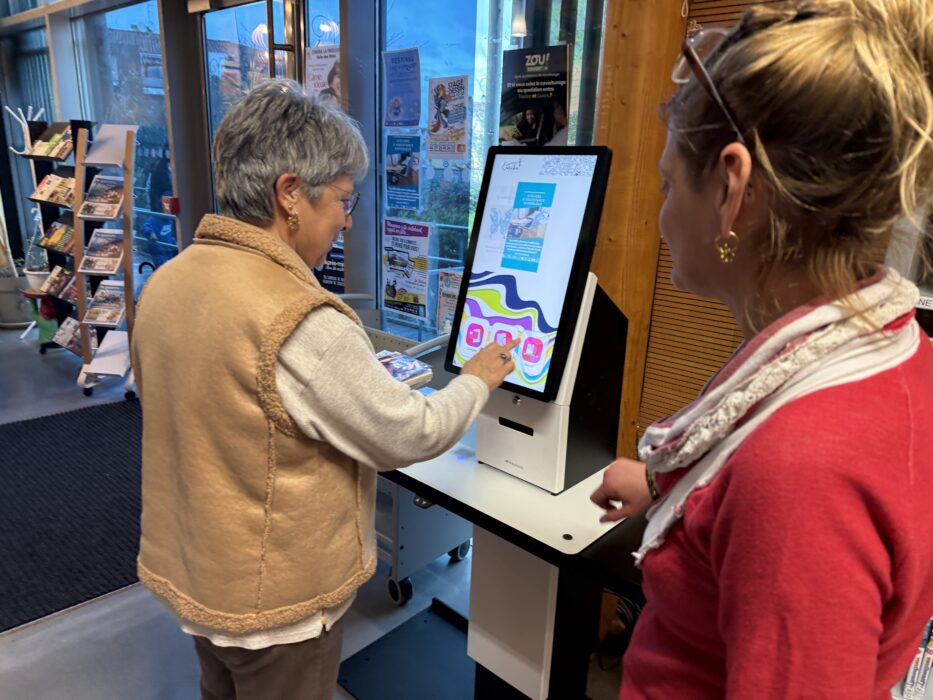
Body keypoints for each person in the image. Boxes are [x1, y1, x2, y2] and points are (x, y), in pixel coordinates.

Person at [131, 79, 518, 700]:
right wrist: (476, 379)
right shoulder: (301, 320)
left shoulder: (168, 284)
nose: (347, 218)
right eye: (342, 198)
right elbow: (411, 433)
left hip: (201, 577)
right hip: (276, 608)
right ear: (290, 193)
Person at [590, 2, 933, 698]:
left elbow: (795, 498)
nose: (662, 213)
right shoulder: (881, 348)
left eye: (666, 184)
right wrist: (666, 486)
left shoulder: (801, 478)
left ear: (730, 186)